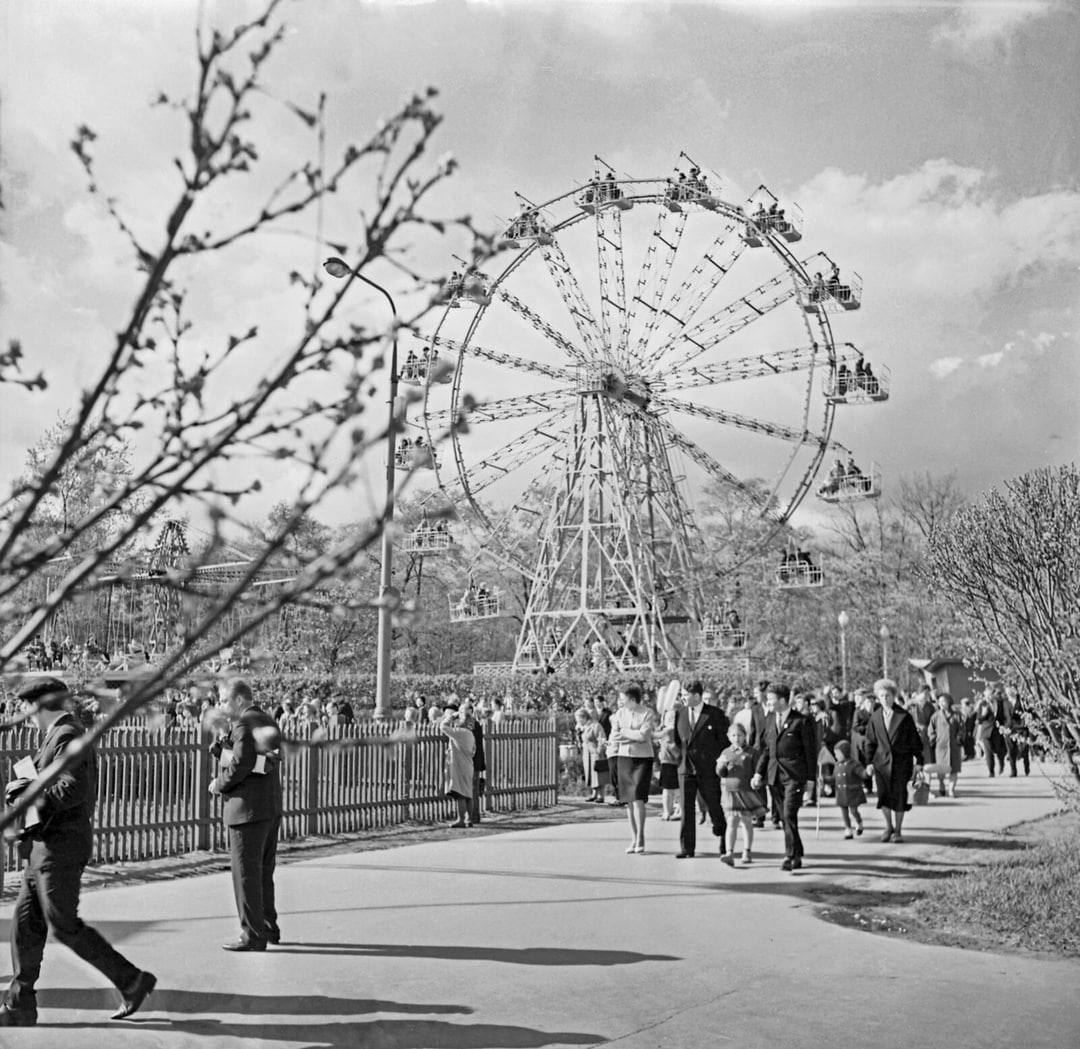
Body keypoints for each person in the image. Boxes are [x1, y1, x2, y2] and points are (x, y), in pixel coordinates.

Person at [2, 678, 156, 1025]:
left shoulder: (68, 734)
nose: (24, 713)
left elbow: (72, 788)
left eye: (27, 705)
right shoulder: (57, 735)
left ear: (41, 705)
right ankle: (19, 1005)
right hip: (46, 845)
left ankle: (131, 980)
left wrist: (30, 796)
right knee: (25, 924)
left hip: (62, 846)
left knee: (63, 924)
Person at [210, 678, 284, 951]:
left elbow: (244, 763)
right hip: (269, 807)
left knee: (246, 874)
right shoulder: (266, 720)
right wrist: (224, 754)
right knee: (264, 871)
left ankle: (252, 935)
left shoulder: (242, 723)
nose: (221, 705)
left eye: (224, 700)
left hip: (247, 811)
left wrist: (218, 784)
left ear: (239, 700)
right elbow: (264, 762)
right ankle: (267, 925)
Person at [751, 683, 816, 872]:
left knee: (788, 815)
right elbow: (766, 750)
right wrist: (758, 773)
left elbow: (810, 753)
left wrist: (810, 781)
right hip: (774, 776)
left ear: (782, 700)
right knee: (787, 818)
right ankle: (797, 852)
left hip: (794, 776)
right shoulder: (770, 719)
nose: (768, 702)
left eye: (771, 699)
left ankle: (790, 856)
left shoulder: (801, 721)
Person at [863, 678, 925, 843]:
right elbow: (870, 741)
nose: (885, 699)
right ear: (878, 697)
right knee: (884, 797)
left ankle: (898, 830)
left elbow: (915, 741)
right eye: (881, 696)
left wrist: (919, 761)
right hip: (881, 764)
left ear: (894, 696)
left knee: (899, 797)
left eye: (888, 695)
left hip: (901, 763)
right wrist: (868, 762)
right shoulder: (875, 717)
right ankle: (888, 826)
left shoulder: (904, 716)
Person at [673, 682, 729, 858]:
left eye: (685, 694)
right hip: (686, 769)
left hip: (707, 769)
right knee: (686, 809)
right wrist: (680, 761)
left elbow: (724, 743)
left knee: (713, 805)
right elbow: (677, 740)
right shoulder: (680, 714)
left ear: (696, 696)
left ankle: (722, 835)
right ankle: (687, 848)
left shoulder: (715, 715)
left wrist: (721, 763)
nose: (682, 698)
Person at [607, 685, 656, 853]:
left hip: (642, 759)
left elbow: (644, 736)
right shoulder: (619, 714)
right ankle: (633, 837)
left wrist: (625, 733)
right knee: (628, 800)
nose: (620, 702)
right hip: (624, 758)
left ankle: (641, 836)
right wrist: (631, 735)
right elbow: (614, 736)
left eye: (623, 699)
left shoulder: (647, 713)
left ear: (633, 700)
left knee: (638, 798)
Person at [716, 723, 764, 865]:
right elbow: (720, 773)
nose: (737, 738)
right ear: (729, 737)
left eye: (740, 735)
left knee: (746, 821)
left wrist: (758, 780)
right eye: (734, 735)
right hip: (730, 792)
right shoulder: (726, 752)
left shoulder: (751, 752)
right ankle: (729, 852)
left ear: (745, 736)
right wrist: (721, 766)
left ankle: (747, 851)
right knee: (731, 821)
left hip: (746, 792)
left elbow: (758, 770)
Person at [439, 706, 476, 827]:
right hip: (468, 765)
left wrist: (450, 717)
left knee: (460, 793)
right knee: (468, 794)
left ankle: (460, 819)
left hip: (459, 766)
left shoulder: (460, 733)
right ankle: (469, 819)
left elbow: (443, 726)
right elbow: (474, 751)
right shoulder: (471, 734)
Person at [928, 692, 963, 797]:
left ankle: (951, 790)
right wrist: (933, 739)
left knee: (954, 769)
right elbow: (931, 730)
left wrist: (959, 738)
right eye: (940, 701)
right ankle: (941, 785)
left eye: (944, 701)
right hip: (941, 746)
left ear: (949, 702)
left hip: (953, 746)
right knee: (941, 770)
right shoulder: (935, 716)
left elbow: (962, 728)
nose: (942, 703)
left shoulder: (957, 715)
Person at [832, 739, 866, 839]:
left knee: (854, 810)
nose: (836, 756)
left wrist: (867, 773)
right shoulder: (837, 765)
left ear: (844, 753)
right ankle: (848, 828)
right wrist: (824, 780)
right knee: (844, 812)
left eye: (838, 753)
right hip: (841, 793)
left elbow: (862, 773)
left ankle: (859, 822)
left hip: (852, 793)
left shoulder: (854, 764)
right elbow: (834, 778)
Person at [575, 708, 608, 803]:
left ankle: (601, 796)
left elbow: (602, 738)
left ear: (584, 717)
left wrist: (599, 751)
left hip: (595, 752)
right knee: (590, 774)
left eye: (579, 719)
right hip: (587, 753)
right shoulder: (583, 727)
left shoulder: (595, 725)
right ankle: (594, 794)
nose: (578, 721)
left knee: (598, 774)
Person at [657, 706, 682, 820]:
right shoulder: (674, 730)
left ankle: (668, 812)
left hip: (669, 761)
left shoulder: (669, 730)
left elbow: (670, 745)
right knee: (678, 789)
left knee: (668, 789)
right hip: (672, 761)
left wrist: (679, 757)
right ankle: (674, 810)